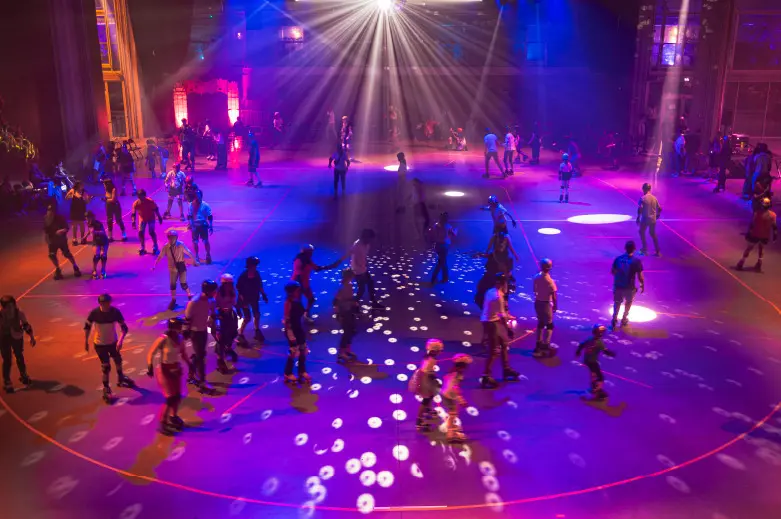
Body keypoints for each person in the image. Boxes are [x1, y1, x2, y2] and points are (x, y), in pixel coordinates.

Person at [146, 317, 191, 435]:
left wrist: (190, 364)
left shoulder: (180, 338)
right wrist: (150, 366)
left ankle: (173, 416)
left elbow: (183, 353)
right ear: (173, 328)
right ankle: (163, 422)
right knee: (170, 398)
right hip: (164, 370)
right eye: (179, 326)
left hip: (176, 370)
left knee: (177, 396)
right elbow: (151, 352)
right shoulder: (163, 339)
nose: (181, 328)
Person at [84, 293, 133, 403]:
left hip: (113, 342)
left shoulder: (115, 312)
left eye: (108, 303)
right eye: (104, 303)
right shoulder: (94, 313)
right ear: (100, 303)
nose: (107, 305)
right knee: (106, 366)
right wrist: (86, 341)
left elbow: (124, 328)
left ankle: (121, 378)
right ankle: (106, 388)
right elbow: (87, 327)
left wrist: (120, 341)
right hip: (100, 344)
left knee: (118, 360)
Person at [479, 273, 518, 388]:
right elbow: (502, 316)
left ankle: (506, 369)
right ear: (503, 283)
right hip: (492, 323)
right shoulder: (498, 296)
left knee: (504, 343)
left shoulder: (490, 291)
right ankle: (486, 375)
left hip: (489, 320)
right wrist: (509, 329)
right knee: (494, 351)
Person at [184, 279, 218, 393]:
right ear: (208, 291)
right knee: (201, 357)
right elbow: (187, 319)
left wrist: (214, 325)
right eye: (214, 291)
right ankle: (202, 382)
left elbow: (213, 314)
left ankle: (191, 374)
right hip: (195, 332)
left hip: (203, 330)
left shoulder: (211, 301)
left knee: (200, 354)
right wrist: (185, 332)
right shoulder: (194, 302)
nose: (215, 293)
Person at [152, 229, 195, 311]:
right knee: (172, 285)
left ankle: (189, 294)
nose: (172, 239)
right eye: (170, 238)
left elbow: (188, 252)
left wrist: (194, 260)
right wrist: (155, 265)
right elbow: (160, 256)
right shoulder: (166, 247)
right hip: (172, 268)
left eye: (173, 237)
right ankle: (173, 299)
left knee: (183, 283)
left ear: (176, 238)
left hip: (181, 266)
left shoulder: (181, 244)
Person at [0, 295, 35, 393]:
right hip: (4, 337)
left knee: (19, 355)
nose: (11, 309)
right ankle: (7, 381)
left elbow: (26, 325)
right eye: (8, 307)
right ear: (3, 308)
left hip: (16, 336)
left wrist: (32, 337)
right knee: (7, 359)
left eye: (13, 306)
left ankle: (23, 375)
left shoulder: (19, 313)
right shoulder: (0, 315)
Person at [409, 338, 443, 432]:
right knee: (426, 399)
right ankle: (419, 420)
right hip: (425, 381)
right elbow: (426, 372)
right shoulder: (431, 360)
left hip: (426, 379)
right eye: (439, 350)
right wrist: (433, 382)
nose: (441, 352)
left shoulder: (429, 357)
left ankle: (428, 409)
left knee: (429, 397)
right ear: (434, 351)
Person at [291, 244, 332, 322]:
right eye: (311, 252)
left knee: (310, 299)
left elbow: (316, 268)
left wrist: (326, 267)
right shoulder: (302, 260)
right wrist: (301, 286)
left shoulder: (305, 259)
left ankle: (305, 314)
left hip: (302, 284)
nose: (312, 253)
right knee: (299, 302)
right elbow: (298, 275)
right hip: (298, 285)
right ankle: (298, 319)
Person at [576, 324, 616, 401]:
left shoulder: (590, 339)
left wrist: (578, 351)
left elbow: (581, 345)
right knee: (600, 377)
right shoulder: (600, 342)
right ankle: (597, 391)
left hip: (587, 360)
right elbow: (605, 351)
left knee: (593, 374)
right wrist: (612, 353)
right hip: (593, 362)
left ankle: (594, 387)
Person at [736, 197, 777, 272]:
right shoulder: (773, 215)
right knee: (761, 248)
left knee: (749, 248)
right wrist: (775, 236)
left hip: (755, 234)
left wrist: (748, 233)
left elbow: (752, 224)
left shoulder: (757, 213)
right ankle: (759, 263)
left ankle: (741, 262)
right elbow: (774, 227)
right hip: (765, 235)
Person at [343, 229, 382, 309]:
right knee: (362, 289)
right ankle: (351, 305)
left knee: (370, 283)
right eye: (370, 239)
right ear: (365, 237)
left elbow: (363, 256)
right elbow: (354, 258)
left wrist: (365, 264)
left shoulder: (367, 245)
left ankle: (373, 303)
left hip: (362, 269)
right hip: (357, 270)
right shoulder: (357, 245)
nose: (371, 241)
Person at [611, 240, 644, 329]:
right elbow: (640, 276)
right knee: (628, 302)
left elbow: (613, 271)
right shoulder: (636, 261)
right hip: (629, 286)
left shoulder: (618, 259)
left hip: (618, 285)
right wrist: (642, 285)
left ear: (625, 248)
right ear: (634, 249)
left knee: (617, 302)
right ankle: (624, 318)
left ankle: (614, 319)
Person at [44, 205, 82, 280]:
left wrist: (61, 231)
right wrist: (47, 240)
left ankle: (75, 266)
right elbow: (46, 231)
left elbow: (66, 228)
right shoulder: (46, 219)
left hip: (61, 240)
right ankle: (58, 269)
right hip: (52, 241)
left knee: (67, 254)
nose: (49, 212)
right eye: (48, 211)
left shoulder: (60, 218)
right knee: (52, 255)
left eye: (51, 211)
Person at [237, 256, 269, 345]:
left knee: (257, 315)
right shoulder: (243, 276)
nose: (255, 267)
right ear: (250, 266)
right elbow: (239, 290)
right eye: (254, 265)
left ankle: (257, 330)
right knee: (247, 318)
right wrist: (243, 302)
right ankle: (240, 334)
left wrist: (263, 294)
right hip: (245, 299)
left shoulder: (256, 274)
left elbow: (260, 285)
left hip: (254, 298)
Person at [283, 281, 310, 384]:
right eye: (297, 290)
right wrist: (290, 335)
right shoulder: (288, 303)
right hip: (292, 330)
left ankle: (302, 371)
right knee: (293, 351)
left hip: (298, 328)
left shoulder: (297, 301)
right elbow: (287, 320)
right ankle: (288, 372)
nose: (299, 292)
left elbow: (302, 313)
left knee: (302, 349)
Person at [442, 353, 472, 443]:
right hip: (450, 396)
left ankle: (451, 428)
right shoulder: (458, 374)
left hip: (445, 394)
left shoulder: (451, 371)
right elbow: (455, 388)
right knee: (453, 414)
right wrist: (461, 400)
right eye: (465, 366)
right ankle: (450, 434)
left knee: (452, 413)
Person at [532, 258, 558, 358]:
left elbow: (535, 290)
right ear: (550, 268)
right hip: (546, 304)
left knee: (540, 323)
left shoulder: (536, 277)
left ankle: (538, 344)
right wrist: (555, 306)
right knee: (550, 325)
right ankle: (546, 344)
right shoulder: (550, 281)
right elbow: (554, 295)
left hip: (537, 303)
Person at [213, 279, 240, 374]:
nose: (231, 285)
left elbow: (234, 303)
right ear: (224, 284)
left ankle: (228, 348)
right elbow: (214, 307)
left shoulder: (232, 291)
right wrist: (217, 327)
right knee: (220, 339)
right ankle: (220, 360)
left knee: (233, 333)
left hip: (230, 315)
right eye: (229, 283)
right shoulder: (218, 293)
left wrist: (238, 310)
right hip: (220, 317)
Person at [333, 269, 359, 363]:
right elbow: (335, 302)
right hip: (344, 312)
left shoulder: (349, 285)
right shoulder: (341, 287)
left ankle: (347, 350)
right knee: (346, 332)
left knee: (351, 331)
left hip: (349, 311)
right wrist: (338, 314)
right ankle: (341, 353)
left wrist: (353, 303)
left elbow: (349, 298)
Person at [428, 212, 457, 284]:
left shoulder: (436, 225)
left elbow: (431, 234)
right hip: (444, 245)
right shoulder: (448, 226)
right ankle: (436, 278)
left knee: (442, 262)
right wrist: (455, 230)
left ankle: (443, 278)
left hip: (437, 245)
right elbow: (454, 234)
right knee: (441, 263)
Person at [131, 189, 163, 256]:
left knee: (151, 232)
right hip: (142, 219)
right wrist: (133, 221)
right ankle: (142, 246)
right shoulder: (136, 203)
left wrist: (159, 217)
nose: (140, 198)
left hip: (151, 218)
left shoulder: (150, 201)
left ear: (144, 196)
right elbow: (133, 213)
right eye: (139, 196)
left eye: (141, 196)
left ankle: (155, 246)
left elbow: (156, 209)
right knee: (141, 232)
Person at [187, 189, 213, 265]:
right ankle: (197, 256)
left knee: (205, 241)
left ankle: (208, 255)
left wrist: (211, 226)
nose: (197, 197)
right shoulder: (191, 205)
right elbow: (190, 216)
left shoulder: (206, 205)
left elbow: (210, 216)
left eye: (198, 196)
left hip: (203, 225)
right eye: (196, 196)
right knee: (195, 242)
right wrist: (191, 225)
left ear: (201, 196)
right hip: (195, 226)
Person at [637, 183, 662, 256]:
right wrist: (657, 215)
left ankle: (644, 249)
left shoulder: (643, 198)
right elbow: (660, 208)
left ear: (643, 189)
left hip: (645, 219)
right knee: (653, 233)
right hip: (653, 219)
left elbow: (640, 208)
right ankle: (657, 250)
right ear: (650, 189)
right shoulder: (654, 198)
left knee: (641, 232)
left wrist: (638, 217)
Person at [101, 178, 127, 242]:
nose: (104, 186)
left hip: (115, 205)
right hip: (108, 206)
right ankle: (110, 236)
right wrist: (106, 199)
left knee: (118, 220)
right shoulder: (106, 189)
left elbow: (113, 199)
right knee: (109, 220)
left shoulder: (114, 189)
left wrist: (106, 200)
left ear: (108, 184)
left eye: (104, 184)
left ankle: (124, 235)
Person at [85, 211, 110, 279]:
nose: (87, 220)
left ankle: (103, 270)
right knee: (96, 256)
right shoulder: (89, 223)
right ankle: (94, 270)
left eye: (88, 218)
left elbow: (103, 232)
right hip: (96, 241)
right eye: (86, 218)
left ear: (92, 217)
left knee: (103, 256)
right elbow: (90, 231)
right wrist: (85, 236)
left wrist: (95, 232)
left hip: (103, 240)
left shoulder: (98, 224)